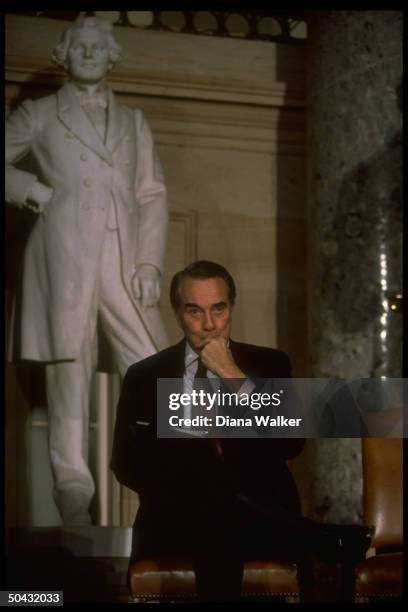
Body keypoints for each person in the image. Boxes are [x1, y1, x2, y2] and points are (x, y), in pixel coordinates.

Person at [111, 260, 373, 602]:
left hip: (259, 528)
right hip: (174, 523)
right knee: (209, 492)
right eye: (194, 311)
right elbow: (124, 463)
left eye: (218, 309)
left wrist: (234, 376)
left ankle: (294, 529)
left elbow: (290, 443)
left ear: (231, 307)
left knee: (219, 508)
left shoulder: (269, 364)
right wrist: (183, 483)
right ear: (177, 313)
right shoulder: (144, 375)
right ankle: (318, 537)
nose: (209, 324)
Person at [5, 16, 169, 525]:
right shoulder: (40, 112)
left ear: (111, 54)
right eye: (80, 46)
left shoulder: (133, 121)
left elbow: (151, 193)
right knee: (67, 376)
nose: (90, 53)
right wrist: (33, 192)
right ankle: (72, 492)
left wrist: (148, 261)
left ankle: (168, 487)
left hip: (121, 260)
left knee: (157, 368)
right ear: (65, 54)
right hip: (62, 256)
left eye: (99, 46)